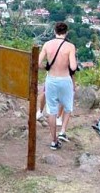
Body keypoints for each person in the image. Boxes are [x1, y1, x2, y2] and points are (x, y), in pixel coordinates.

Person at [37, 21, 77, 149]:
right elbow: (73, 66)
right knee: (68, 106)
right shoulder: (70, 46)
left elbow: (37, 62)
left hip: (51, 79)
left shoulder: (47, 44)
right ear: (66, 32)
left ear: (55, 31)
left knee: (51, 110)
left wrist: (46, 67)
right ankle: (62, 131)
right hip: (65, 79)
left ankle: (53, 141)